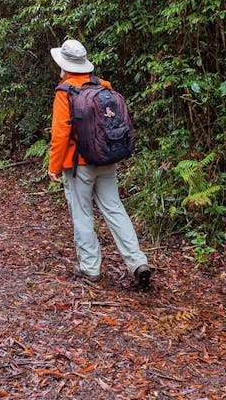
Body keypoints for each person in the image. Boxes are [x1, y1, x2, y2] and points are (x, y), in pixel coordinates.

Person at [48, 39, 152, 290]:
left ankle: (90, 267)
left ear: (64, 66)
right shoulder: (103, 87)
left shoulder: (65, 92)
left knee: (83, 215)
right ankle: (137, 261)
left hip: (78, 165)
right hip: (107, 158)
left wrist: (54, 166)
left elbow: (60, 134)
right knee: (115, 209)